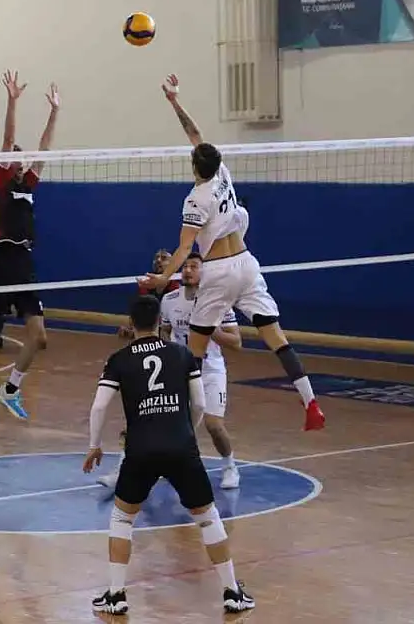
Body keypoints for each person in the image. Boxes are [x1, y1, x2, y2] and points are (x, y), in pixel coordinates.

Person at [145, 74, 325, 432]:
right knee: (276, 338)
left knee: (195, 350)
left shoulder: (195, 199)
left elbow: (184, 248)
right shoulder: (223, 173)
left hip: (220, 271)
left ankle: (179, 422)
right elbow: (196, 134)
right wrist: (175, 101)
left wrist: (163, 279)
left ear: (195, 167)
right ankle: (311, 404)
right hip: (247, 263)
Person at [84, 295, 255, 615]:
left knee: (123, 518)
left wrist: (94, 445)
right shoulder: (182, 353)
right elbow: (200, 403)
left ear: (131, 322)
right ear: (158, 321)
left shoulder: (119, 359)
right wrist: (187, 430)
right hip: (180, 446)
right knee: (208, 518)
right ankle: (232, 592)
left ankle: (116, 595)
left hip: (140, 449)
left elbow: (99, 406)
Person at [102, 253, 243, 489]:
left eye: (194, 266)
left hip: (210, 370)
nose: (187, 270)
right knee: (146, 418)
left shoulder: (217, 302)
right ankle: (122, 468)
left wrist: (210, 328)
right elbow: (164, 331)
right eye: (185, 266)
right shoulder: (169, 300)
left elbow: (236, 342)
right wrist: (138, 336)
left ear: (205, 272)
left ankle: (230, 466)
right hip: (179, 369)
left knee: (213, 425)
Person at [0, 70, 60, 422]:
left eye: (19, 156)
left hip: (24, 261)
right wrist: (12, 101)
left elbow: (44, 148)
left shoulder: (28, 182)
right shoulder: (1, 179)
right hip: (3, 259)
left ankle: (10, 389)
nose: (18, 158)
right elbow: (9, 136)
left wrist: (54, 111)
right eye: (13, 154)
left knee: (39, 337)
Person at [118, 249, 180, 337]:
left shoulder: (177, 289)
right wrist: (132, 329)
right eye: (156, 257)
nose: (158, 260)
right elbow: (139, 314)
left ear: (172, 264)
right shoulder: (144, 287)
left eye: (164, 258)